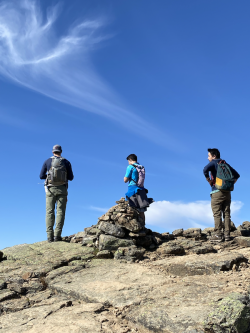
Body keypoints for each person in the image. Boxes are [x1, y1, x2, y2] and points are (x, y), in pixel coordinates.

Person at [203, 148, 240, 242]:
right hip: (227, 193)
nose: (208, 158)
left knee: (217, 213)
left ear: (214, 156)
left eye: (209, 156)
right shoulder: (225, 163)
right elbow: (236, 175)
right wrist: (227, 186)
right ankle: (227, 235)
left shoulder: (214, 162)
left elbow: (205, 169)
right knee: (227, 214)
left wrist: (209, 181)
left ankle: (218, 235)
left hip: (217, 192)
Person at [40, 145, 74, 242]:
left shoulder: (47, 161)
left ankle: (49, 236)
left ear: (52, 151)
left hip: (50, 190)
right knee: (60, 212)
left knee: (49, 212)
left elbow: (41, 175)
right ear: (61, 151)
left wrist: (50, 176)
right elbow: (71, 177)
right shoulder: (66, 162)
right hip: (62, 189)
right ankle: (57, 236)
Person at [124, 154, 153, 225]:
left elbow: (125, 180)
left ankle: (133, 227)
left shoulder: (130, 167)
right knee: (141, 211)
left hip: (132, 189)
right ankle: (142, 227)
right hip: (141, 189)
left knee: (131, 208)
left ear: (130, 160)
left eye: (128, 161)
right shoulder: (141, 167)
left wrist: (125, 178)